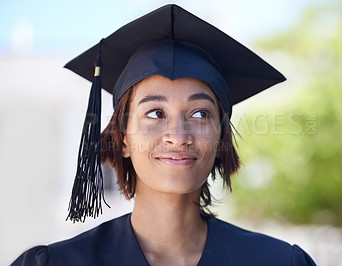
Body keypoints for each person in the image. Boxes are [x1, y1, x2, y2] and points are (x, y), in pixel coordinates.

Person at [12, 4, 317, 266]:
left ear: (221, 139)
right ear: (123, 139)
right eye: (155, 113)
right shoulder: (62, 263)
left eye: (200, 114)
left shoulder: (276, 261)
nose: (178, 135)